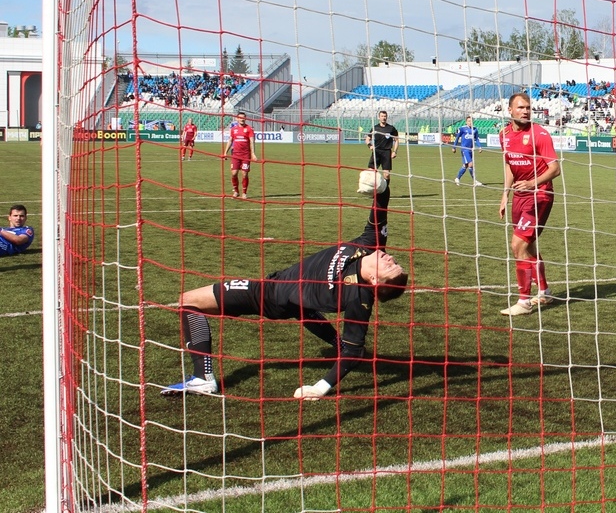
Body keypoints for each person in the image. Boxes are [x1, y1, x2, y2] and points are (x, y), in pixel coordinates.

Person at [162, 184, 401, 397]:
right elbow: (381, 207)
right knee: (301, 306)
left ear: (374, 281)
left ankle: (203, 378)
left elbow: (355, 352)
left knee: (189, 301)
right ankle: (334, 342)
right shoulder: (370, 245)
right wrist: (380, 187)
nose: (390, 258)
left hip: (268, 295)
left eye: (390, 267)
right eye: (396, 262)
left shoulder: (358, 297)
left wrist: (320, 387)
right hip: (286, 291)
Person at [497, 92, 560, 316]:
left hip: (540, 195)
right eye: (521, 107)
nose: (525, 111)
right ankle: (544, 292)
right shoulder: (504, 134)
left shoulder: (539, 134)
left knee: (518, 245)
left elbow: (555, 169)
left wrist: (532, 183)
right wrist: (505, 194)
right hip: (519, 196)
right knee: (529, 246)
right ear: (510, 110)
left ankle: (524, 302)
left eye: (528, 108)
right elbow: (509, 165)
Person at [222, 112, 257, 199]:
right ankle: (236, 191)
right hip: (235, 155)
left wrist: (253, 153)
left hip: (246, 155)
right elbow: (230, 140)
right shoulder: (233, 129)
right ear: (237, 119)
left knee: (244, 174)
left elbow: (252, 141)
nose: (242, 119)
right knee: (234, 173)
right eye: (240, 118)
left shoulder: (249, 129)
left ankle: (244, 193)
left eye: (243, 118)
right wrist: (225, 152)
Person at [453, 115, 481, 186]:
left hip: (471, 150)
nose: (470, 122)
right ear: (466, 122)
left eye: (471, 121)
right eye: (469, 121)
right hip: (464, 149)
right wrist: (454, 147)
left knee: (465, 166)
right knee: (470, 164)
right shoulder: (462, 129)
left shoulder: (475, 129)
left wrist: (479, 146)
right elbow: (457, 138)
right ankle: (474, 181)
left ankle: (457, 178)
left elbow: (477, 139)